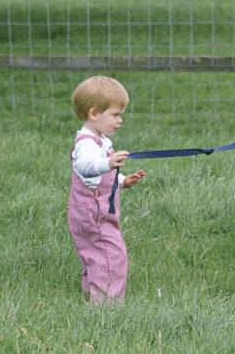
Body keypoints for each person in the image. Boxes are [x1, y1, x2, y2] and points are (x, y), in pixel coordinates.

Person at [68, 75, 147, 304]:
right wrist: (109, 163)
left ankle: (91, 292)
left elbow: (100, 174)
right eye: (115, 114)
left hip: (93, 209)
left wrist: (122, 180)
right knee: (111, 254)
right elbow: (86, 166)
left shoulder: (99, 140)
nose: (120, 120)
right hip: (93, 212)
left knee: (95, 252)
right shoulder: (86, 144)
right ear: (94, 113)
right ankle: (107, 304)